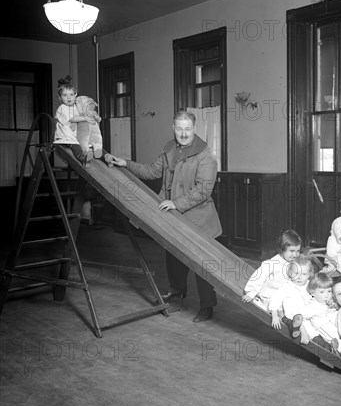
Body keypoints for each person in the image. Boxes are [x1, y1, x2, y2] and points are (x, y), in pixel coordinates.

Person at [105, 110, 222, 322]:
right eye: (179, 129)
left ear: (194, 129)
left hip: (199, 220)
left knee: (203, 266)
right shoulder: (169, 148)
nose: (183, 134)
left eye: (187, 129)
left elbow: (203, 190)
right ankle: (177, 296)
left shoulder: (206, 154)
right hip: (173, 217)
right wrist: (126, 163)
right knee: (174, 257)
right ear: (173, 128)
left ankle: (207, 306)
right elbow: (151, 171)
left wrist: (176, 203)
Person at [242, 230, 301, 310]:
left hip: (285, 293)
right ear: (282, 249)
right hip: (271, 294)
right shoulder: (272, 263)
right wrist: (251, 293)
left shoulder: (294, 262)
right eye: (292, 251)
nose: (295, 255)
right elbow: (259, 277)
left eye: (298, 251)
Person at [296, 272, 341, 355]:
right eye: (322, 292)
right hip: (329, 333)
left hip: (340, 328)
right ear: (312, 293)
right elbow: (299, 317)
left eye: (329, 291)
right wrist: (304, 333)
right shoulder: (312, 306)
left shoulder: (331, 301)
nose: (326, 295)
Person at [53, 75, 94, 166]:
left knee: (86, 142)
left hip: (73, 135)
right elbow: (72, 118)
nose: (69, 97)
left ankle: (90, 154)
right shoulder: (62, 108)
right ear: (60, 97)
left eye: (71, 95)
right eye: (65, 95)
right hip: (65, 136)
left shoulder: (75, 107)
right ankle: (83, 158)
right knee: (74, 146)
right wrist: (85, 118)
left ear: (75, 95)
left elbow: (79, 116)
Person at [268, 254, 314, 333]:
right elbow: (275, 300)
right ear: (290, 272)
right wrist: (275, 316)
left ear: (309, 275)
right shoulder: (287, 286)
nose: (299, 277)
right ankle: (303, 332)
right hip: (293, 316)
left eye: (304, 274)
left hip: (309, 315)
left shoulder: (310, 284)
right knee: (310, 332)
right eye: (296, 273)